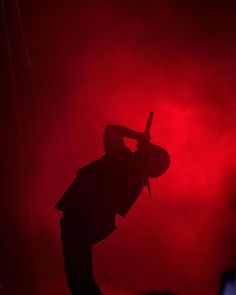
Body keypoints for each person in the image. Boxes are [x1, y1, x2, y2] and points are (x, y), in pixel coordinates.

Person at [55, 124, 170, 295]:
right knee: (81, 281)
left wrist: (137, 136)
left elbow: (111, 130)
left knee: (80, 282)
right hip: (85, 224)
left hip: (79, 220)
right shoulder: (135, 180)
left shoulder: (122, 160)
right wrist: (141, 142)